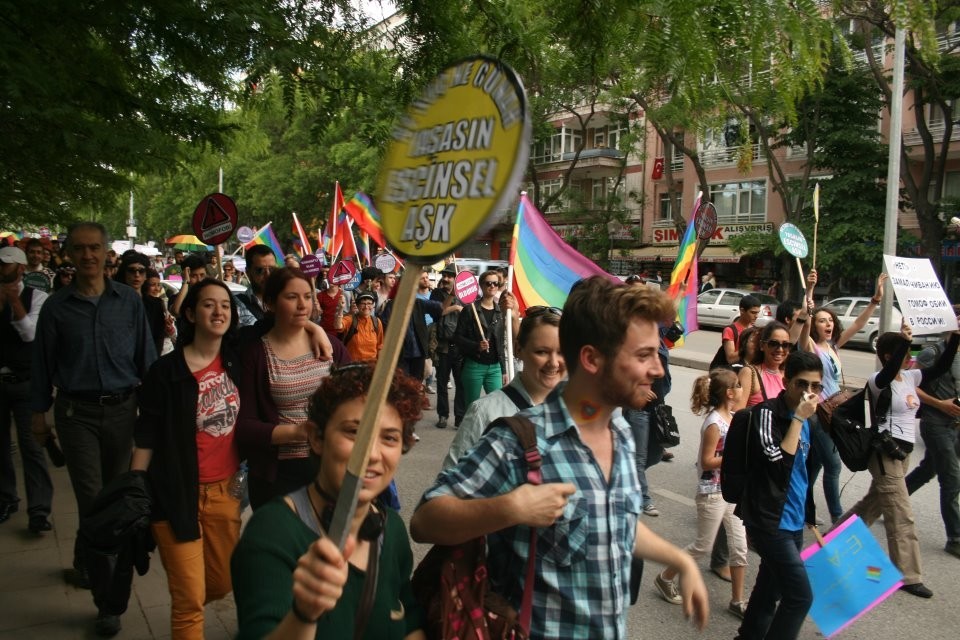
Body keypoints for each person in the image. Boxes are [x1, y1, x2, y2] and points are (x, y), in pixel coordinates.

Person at [411, 277, 709, 638]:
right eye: (643, 355)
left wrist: (679, 560)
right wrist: (509, 508)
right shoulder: (519, 442)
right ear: (592, 359)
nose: (658, 369)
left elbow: (614, 523)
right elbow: (425, 520)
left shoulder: (620, 431)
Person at [231, 363, 427, 639]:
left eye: (389, 438)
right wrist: (304, 614)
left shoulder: (391, 529)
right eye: (354, 432)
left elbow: (411, 622)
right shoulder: (272, 533)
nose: (372, 454)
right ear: (316, 438)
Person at [30, 222, 157, 636]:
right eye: (80, 248)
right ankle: (108, 603)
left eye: (95, 248)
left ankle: (85, 557)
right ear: (68, 253)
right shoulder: (56, 307)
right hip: (76, 414)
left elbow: (147, 359)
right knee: (93, 502)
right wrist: (37, 414)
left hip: (123, 412)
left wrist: (157, 411)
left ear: (106, 253)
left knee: (117, 504)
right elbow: (41, 364)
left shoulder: (129, 301)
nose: (88, 255)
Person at [131, 278, 242, 638]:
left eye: (225, 304)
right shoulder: (165, 372)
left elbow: (279, 324)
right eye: (209, 304)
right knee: (189, 602)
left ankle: (189, 589)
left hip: (225, 494)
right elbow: (146, 435)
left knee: (222, 582)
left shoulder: (236, 360)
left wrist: (317, 332)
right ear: (191, 314)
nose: (219, 311)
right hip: (175, 495)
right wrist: (135, 489)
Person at [837, 325, 959, 598]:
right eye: (905, 353)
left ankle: (834, 538)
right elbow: (889, 371)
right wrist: (905, 340)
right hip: (885, 454)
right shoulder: (878, 381)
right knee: (901, 514)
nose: (910, 358)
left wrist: (955, 338)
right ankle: (908, 575)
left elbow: (940, 367)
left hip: (902, 453)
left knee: (872, 504)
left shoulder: (910, 377)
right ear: (889, 356)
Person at [237, 268, 343, 510]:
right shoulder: (256, 354)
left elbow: (357, 398)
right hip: (279, 476)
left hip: (330, 466)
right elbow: (245, 426)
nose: (302, 305)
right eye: (292, 297)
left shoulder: (331, 347)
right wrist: (298, 432)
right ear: (270, 303)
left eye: (307, 296)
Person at [734, 350, 821, 640]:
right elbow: (779, 467)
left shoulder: (811, 421)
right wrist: (797, 420)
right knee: (800, 597)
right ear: (786, 382)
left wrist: (809, 516)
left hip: (794, 520)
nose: (809, 392)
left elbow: (805, 474)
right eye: (802, 384)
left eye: (815, 386)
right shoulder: (767, 414)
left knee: (769, 589)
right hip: (769, 521)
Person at [655, 368, 748, 619]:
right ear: (729, 393)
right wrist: (734, 457)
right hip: (712, 492)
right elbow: (706, 462)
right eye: (738, 385)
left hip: (731, 492)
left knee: (740, 546)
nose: (742, 389)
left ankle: (738, 600)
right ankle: (665, 577)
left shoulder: (733, 417)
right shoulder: (714, 423)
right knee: (703, 546)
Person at [798, 270, 888, 523]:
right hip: (817, 413)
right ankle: (838, 518)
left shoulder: (833, 346)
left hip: (836, 413)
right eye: (822, 321)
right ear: (814, 325)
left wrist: (875, 300)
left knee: (815, 465)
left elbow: (858, 324)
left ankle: (803, 509)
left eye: (830, 320)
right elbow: (804, 327)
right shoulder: (810, 347)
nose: (827, 324)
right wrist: (809, 291)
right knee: (834, 465)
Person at [442, 305, 564, 468]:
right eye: (542, 352)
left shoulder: (578, 413)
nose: (554, 363)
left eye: (562, 352)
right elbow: (451, 478)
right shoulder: (484, 413)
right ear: (518, 349)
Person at [0, 246, 53, 534]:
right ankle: (6, 498)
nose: (1, 269)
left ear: (20, 269)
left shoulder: (38, 297)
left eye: (6, 265)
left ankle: (39, 510)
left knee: (31, 447)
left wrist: (13, 302)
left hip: (24, 383)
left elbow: (30, 334)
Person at [905, 325, 960, 560]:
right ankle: (955, 538)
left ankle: (890, 501)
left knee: (928, 469)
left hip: (955, 424)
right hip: (935, 422)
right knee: (952, 478)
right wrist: (939, 404)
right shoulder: (933, 353)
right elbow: (909, 385)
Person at [453, 269, 508, 407]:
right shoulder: (469, 309)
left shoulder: (500, 312)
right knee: (471, 407)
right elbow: (457, 337)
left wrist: (503, 370)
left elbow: (501, 343)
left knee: (496, 406)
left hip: (495, 367)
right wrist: (476, 346)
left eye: (496, 283)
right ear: (481, 286)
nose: (492, 286)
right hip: (474, 365)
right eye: (488, 283)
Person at [115, 252, 173, 357]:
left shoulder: (156, 304)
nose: (137, 275)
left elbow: (158, 337)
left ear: (146, 275)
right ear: (125, 273)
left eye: (141, 271)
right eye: (132, 270)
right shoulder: (114, 303)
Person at [431, 265, 465, 429]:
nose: (445, 279)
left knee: (461, 384)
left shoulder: (466, 295)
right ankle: (443, 415)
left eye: (449, 276)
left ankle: (459, 417)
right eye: (444, 275)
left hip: (460, 347)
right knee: (442, 384)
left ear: (456, 279)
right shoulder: (437, 293)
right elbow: (438, 312)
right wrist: (454, 303)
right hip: (443, 346)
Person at [735, 322, 791, 411]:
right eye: (773, 344)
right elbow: (736, 412)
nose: (780, 349)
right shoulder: (749, 373)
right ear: (762, 345)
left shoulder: (789, 374)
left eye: (785, 345)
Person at [235, 245, 276, 326]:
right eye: (260, 270)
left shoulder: (286, 299)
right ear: (248, 272)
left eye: (272, 269)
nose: (268, 275)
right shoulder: (238, 302)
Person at [338, 291, 383, 362]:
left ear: (373, 305)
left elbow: (380, 346)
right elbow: (338, 326)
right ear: (357, 305)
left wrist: (380, 365)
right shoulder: (350, 320)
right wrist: (340, 309)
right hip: (353, 365)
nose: (366, 307)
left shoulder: (377, 322)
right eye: (363, 303)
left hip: (371, 365)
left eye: (369, 303)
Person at [720, 294, 761, 366]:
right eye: (753, 312)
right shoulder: (730, 330)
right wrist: (748, 348)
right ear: (742, 310)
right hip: (734, 370)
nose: (756, 316)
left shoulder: (755, 330)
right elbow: (730, 358)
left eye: (757, 313)